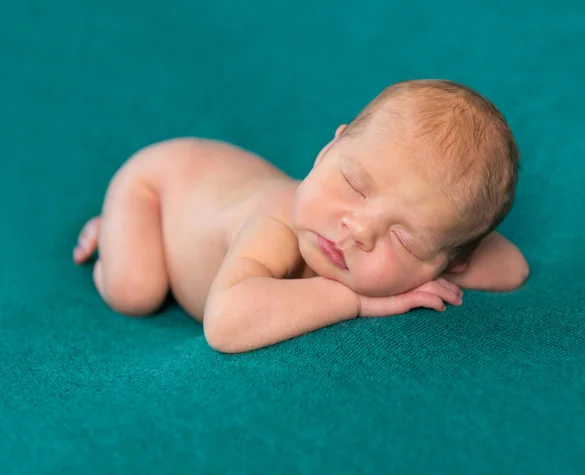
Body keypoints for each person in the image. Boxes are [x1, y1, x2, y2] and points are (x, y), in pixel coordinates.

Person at [73, 79, 529, 353]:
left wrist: (450, 250)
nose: (359, 230)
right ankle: (114, 232)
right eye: (353, 185)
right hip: (160, 184)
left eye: (403, 239)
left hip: (218, 178)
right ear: (330, 148)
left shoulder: (438, 254)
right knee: (135, 291)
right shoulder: (278, 227)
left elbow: (513, 268)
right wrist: (356, 301)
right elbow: (225, 322)